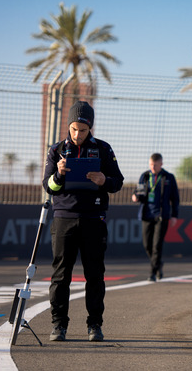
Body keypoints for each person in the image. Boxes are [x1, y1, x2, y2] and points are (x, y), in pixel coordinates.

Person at [42, 101, 124, 342]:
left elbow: (117, 182)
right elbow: (49, 187)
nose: (78, 135)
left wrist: (103, 181)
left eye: (83, 130)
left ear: (91, 128)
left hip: (94, 220)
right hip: (63, 220)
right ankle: (58, 325)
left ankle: (94, 325)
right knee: (60, 276)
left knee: (95, 275)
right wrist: (58, 174)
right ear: (68, 126)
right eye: (74, 129)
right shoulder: (56, 150)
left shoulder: (103, 150)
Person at [132, 153, 180, 281]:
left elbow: (175, 198)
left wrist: (174, 215)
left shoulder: (168, 177)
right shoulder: (145, 176)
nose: (152, 167)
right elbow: (139, 192)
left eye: (155, 165)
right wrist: (136, 196)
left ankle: (152, 272)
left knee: (157, 245)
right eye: (151, 165)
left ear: (161, 164)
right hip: (147, 215)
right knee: (147, 244)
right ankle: (158, 264)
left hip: (162, 216)